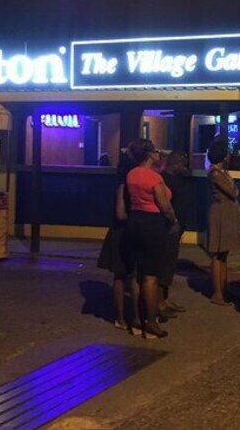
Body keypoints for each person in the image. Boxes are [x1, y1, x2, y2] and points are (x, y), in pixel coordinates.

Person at [126, 139, 177, 339]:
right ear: (149, 154)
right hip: (152, 224)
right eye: (155, 151)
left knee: (136, 274)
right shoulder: (153, 178)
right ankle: (151, 321)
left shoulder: (131, 174)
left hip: (135, 221)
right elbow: (164, 206)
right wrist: (172, 219)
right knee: (150, 275)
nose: (159, 153)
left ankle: (137, 319)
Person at [97, 150, 141, 335]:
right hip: (127, 232)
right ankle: (133, 317)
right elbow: (121, 213)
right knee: (131, 276)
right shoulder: (127, 185)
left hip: (119, 232)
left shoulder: (119, 184)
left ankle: (122, 318)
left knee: (120, 276)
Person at [203, 141, 240, 306]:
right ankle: (218, 293)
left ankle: (223, 289)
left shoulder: (220, 172)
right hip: (221, 212)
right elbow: (233, 191)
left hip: (225, 211)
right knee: (218, 253)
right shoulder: (216, 173)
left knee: (223, 252)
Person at [160, 152, 190, 317]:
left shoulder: (179, 178)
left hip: (177, 227)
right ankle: (161, 301)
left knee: (170, 263)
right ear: (174, 164)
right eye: (181, 163)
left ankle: (165, 298)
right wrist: (173, 222)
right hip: (169, 227)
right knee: (165, 263)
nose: (184, 167)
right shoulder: (164, 179)